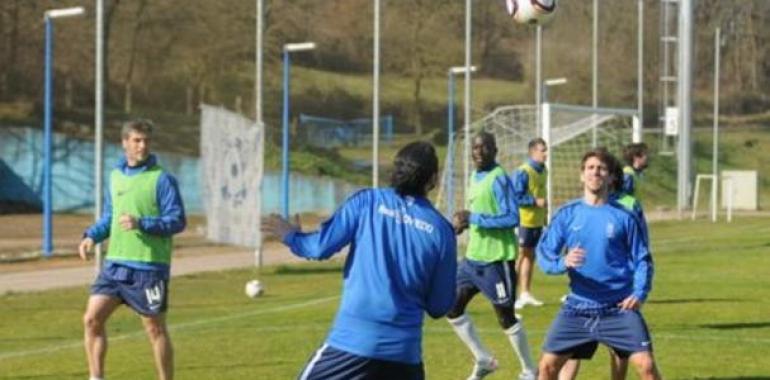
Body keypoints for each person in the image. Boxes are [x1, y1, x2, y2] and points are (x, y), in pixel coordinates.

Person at [262, 141, 457, 380]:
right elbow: (439, 306)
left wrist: (291, 235)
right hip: (404, 356)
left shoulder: (367, 203)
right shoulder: (442, 231)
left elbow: (319, 247)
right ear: (433, 180)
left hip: (352, 345)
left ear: (395, 170)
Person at [536, 148, 661, 380]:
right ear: (582, 175)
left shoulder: (624, 216)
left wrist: (640, 293)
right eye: (590, 168)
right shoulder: (567, 214)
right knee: (546, 367)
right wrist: (562, 262)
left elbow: (643, 258)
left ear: (611, 177)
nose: (596, 172)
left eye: (601, 168)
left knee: (647, 367)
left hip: (618, 308)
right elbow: (544, 254)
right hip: (578, 308)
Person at [79, 119, 187, 380]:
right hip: (115, 265)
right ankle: (96, 377)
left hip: (148, 269)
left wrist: (143, 223)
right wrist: (91, 237)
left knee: (154, 329)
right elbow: (110, 217)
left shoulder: (162, 179)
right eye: (137, 140)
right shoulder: (115, 177)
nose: (142, 145)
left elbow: (177, 220)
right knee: (92, 320)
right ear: (124, 143)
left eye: (146, 140)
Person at [447, 131, 537, 380]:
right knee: (451, 307)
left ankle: (530, 371)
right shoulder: (475, 176)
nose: (479, 152)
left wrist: (473, 218)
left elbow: (512, 218)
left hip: (496, 261)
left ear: (495, 151)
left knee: (505, 317)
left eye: (485, 148)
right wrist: (464, 223)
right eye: (475, 148)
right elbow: (479, 213)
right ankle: (484, 360)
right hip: (472, 260)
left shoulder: (499, 178)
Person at [512, 138, 548, 310]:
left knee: (530, 256)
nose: (545, 153)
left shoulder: (544, 170)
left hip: (537, 221)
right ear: (533, 152)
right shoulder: (523, 172)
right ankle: (511, 295)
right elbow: (516, 197)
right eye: (542, 150)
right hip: (523, 220)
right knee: (520, 256)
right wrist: (535, 202)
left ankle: (525, 293)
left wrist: (545, 215)